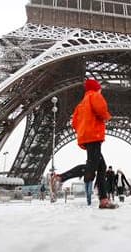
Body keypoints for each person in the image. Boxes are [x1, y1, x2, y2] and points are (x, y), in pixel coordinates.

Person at [51, 79, 117, 209]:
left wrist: (84, 129)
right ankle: (60, 177)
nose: (100, 90)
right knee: (91, 167)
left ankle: (103, 200)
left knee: (101, 166)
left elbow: (74, 123)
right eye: (99, 89)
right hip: (94, 136)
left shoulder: (81, 104)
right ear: (96, 88)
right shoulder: (95, 95)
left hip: (86, 137)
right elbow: (101, 109)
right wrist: (106, 117)